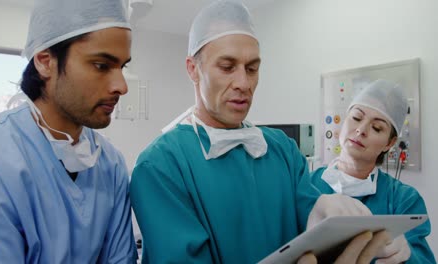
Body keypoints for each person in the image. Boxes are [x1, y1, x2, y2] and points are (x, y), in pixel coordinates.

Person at [130, 1, 391, 263]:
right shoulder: (162, 165)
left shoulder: (281, 149)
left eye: (252, 68)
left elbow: (310, 219)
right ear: (193, 69)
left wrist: (336, 223)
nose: (243, 83)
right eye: (227, 67)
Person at [0, 0, 137, 262]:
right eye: (102, 66)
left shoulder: (110, 164)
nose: (121, 86)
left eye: (122, 67)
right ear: (45, 62)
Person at [310, 79, 435, 263]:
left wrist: (407, 256)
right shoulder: (305, 185)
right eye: (356, 118)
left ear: (389, 143)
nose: (361, 130)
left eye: (377, 128)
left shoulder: (403, 199)